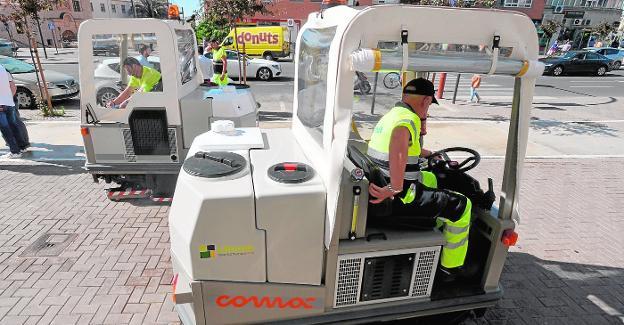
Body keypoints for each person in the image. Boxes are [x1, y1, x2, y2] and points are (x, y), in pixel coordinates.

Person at [366, 78, 473, 281]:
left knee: (431, 178)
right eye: (429, 105)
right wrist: (395, 187)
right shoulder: (409, 120)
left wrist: (431, 154)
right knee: (462, 205)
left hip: (385, 184)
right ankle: (450, 269)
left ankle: (441, 224)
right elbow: (398, 140)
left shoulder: (391, 115)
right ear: (425, 100)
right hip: (400, 197)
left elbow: (407, 146)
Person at [0, 65, 28, 159]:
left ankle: (15, 152)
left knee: (5, 129)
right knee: (14, 125)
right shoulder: (3, 68)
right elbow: (13, 87)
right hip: (9, 103)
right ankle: (22, 147)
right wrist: (8, 99)